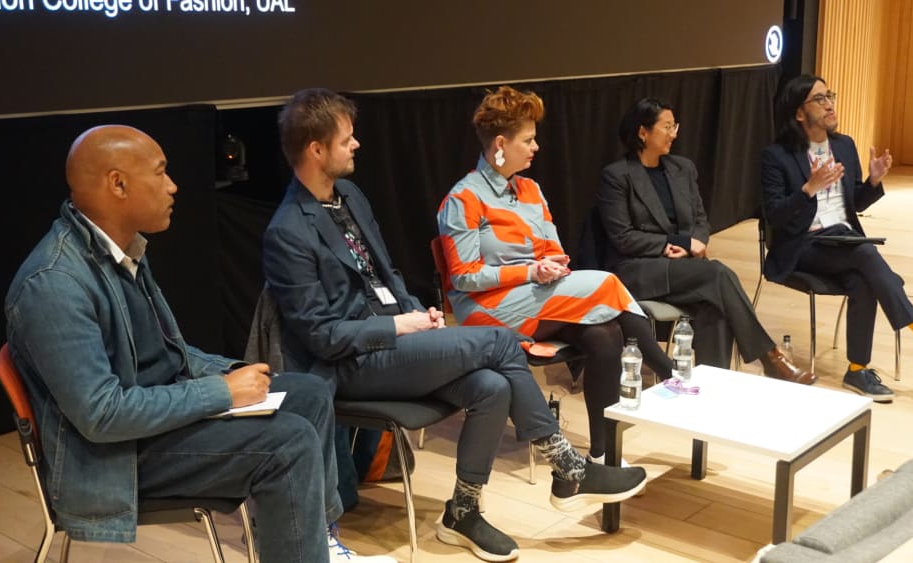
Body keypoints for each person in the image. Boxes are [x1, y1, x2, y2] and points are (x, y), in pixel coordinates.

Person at [263, 88, 647, 563]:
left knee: (490, 386)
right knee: (502, 344)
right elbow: (321, 337)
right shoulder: (287, 232)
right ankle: (567, 468)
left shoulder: (349, 197)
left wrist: (418, 313)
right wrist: (399, 327)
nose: (357, 144)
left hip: (398, 338)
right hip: (351, 361)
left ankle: (462, 512)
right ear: (316, 149)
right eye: (347, 139)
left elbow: (387, 273)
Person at [4, 125, 339, 562]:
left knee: (307, 393)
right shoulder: (53, 284)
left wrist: (232, 373)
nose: (173, 186)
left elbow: (171, 356)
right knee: (288, 441)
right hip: (113, 460)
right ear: (118, 184)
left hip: (154, 427)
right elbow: (102, 415)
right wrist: (221, 391)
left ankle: (313, 541)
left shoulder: (120, 252)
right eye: (161, 173)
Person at [436, 86, 677, 465]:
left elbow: (554, 247)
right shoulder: (462, 199)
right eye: (528, 140)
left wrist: (551, 266)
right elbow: (464, 277)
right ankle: (668, 372)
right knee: (607, 283)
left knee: (604, 335)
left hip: (539, 297)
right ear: (501, 143)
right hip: (488, 309)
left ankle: (602, 457)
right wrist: (531, 270)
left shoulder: (531, 188)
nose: (536, 147)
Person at [761, 74, 913, 402]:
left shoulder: (843, 145)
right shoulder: (776, 156)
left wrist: (872, 182)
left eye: (829, 95)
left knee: (864, 274)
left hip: (842, 241)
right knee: (865, 256)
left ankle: (857, 370)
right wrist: (807, 190)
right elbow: (775, 216)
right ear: (799, 113)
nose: (829, 104)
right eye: (819, 99)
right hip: (803, 245)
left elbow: (853, 203)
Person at [597, 98, 815, 384]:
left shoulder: (682, 169)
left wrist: (692, 242)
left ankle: (714, 387)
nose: (674, 133)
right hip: (639, 269)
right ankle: (770, 356)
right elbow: (623, 237)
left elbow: (701, 221)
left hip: (684, 269)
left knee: (715, 305)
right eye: (666, 127)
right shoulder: (617, 176)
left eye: (674, 126)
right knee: (717, 274)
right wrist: (677, 242)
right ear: (643, 133)